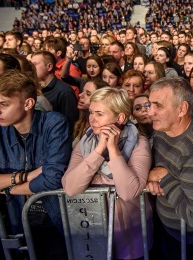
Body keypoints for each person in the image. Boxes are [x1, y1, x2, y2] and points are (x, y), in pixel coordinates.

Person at [0, 70, 72, 258]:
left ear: (28, 103)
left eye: (3, 104)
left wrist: (5, 187)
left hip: (56, 221)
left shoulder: (53, 123)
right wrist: (22, 177)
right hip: (18, 221)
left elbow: (52, 179)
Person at [62, 88, 152, 259]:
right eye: (90, 112)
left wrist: (112, 149)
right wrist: (98, 150)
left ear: (120, 118)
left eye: (99, 114)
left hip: (130, 236)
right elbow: (70, 187)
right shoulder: (86, 141)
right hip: (93, 234)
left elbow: (128, 191)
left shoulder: (139, 142)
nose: (92, 119)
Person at [145, 77, 193, 260]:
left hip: (189, 239)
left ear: (182, 109)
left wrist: (163, 176)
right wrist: (154, 175)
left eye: (158, 105)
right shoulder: (163, 129)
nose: (151, 112)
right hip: (166, 225)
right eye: (150, 104)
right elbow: (160, 167)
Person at [31, 51, 79, 129]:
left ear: (49, 67)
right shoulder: (33, 88)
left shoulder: (64, 92)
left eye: (34, 64)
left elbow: (70, 124)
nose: (31, 68)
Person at [73, 79, 109, 147]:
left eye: (88, 94)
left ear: (100, 98)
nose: (80, 95)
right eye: (82, 91)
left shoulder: (100, 129)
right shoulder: (82, 121)